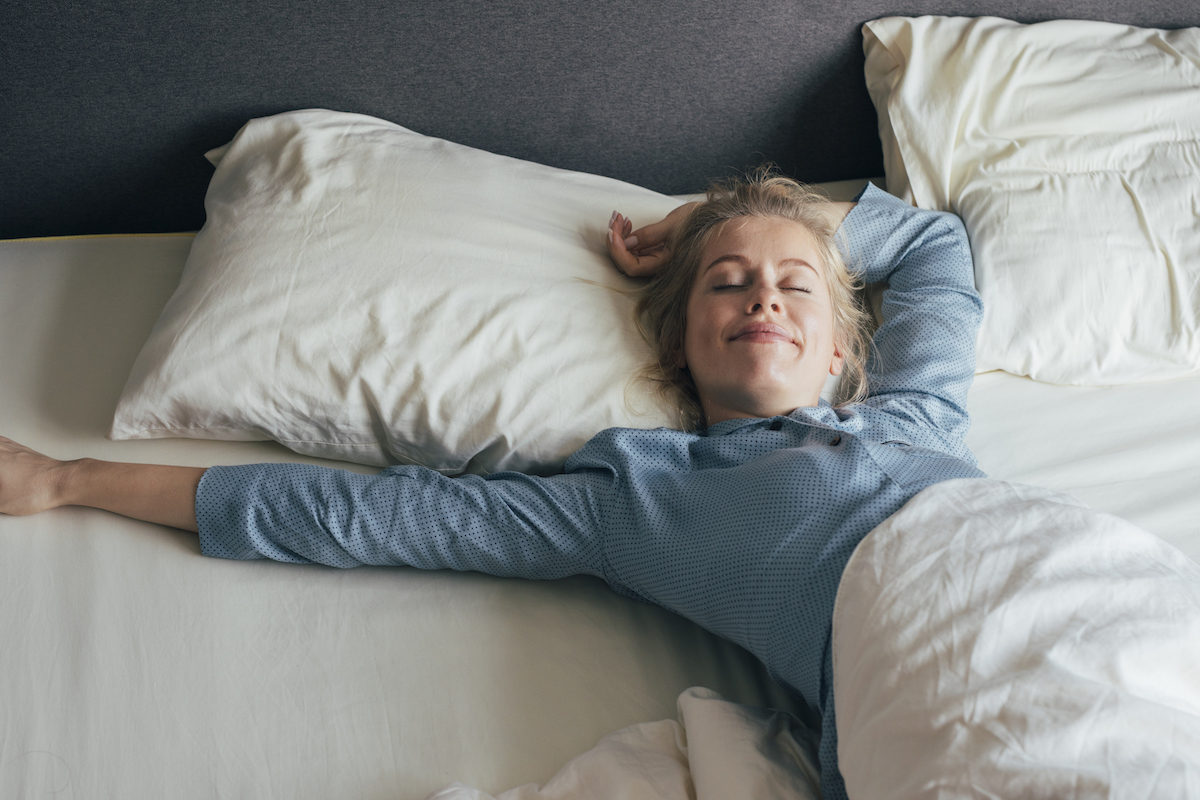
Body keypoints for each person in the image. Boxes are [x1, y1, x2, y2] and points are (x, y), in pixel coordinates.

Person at [0, 169, 984, 800]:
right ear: (681, 341)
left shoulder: (918, 413)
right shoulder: (636, 500)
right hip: (942, 682)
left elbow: (934, 243)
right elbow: (376, 516)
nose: (763, 291)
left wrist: (704, 223)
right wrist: (70, 478)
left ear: (843, 344)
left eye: (795, 282)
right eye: (726, 282)